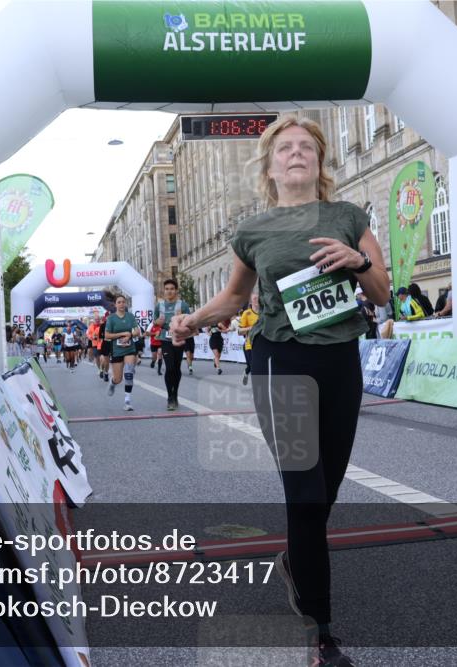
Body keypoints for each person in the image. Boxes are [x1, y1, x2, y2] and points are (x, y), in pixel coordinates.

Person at [170, 115, 389, 667]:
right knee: (306, 494)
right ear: (269, 166)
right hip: (279, 360)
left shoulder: (348, 217)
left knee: (327, 490)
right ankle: (321, 632)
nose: (296, 155)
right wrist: (191, 321)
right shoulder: (253, 231)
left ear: (319, 161)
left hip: (340, 359)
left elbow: (383, 290)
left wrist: (358, 261)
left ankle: (297, 558)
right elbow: (233, 299)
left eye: (306, 148)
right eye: (284, 148)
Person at [154, 279, 191, 411]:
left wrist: (182, 319)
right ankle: (170, 397)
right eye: (167, 289)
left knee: (176, 368)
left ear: (176, 291)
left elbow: (190, 322)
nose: (169, 291)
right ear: (164, 291)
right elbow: (155, 323)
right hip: (165, 339)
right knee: (169, 368)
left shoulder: (183, 305)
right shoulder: (159, 306)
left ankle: (175, 394)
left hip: (179, 338)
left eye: (172, 289)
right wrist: (158, 322)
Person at [104, 295, 141, 411]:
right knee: (118, 379)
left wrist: (130, 335)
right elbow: (107, 335)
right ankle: (113, 382)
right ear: (115, 305)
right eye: (119, 302)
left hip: (130, 349)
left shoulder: (130, 316)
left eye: (123, 302)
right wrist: (121, 335)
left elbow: (137, 331)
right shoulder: (111, 318)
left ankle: (127, 401)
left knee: (129, 374)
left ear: (125, 304)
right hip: (116, 351)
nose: (121, 304)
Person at [237, 293, 260, 385]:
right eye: (254, 299)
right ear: (251, 301)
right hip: (249, 345)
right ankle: (247, 373)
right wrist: (251, 328)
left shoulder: (264, 313)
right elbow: (239, 331)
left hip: (261, 345)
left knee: (260, 367)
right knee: (252, 366)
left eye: (258, 298)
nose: (257, 300)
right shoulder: (247, 313)